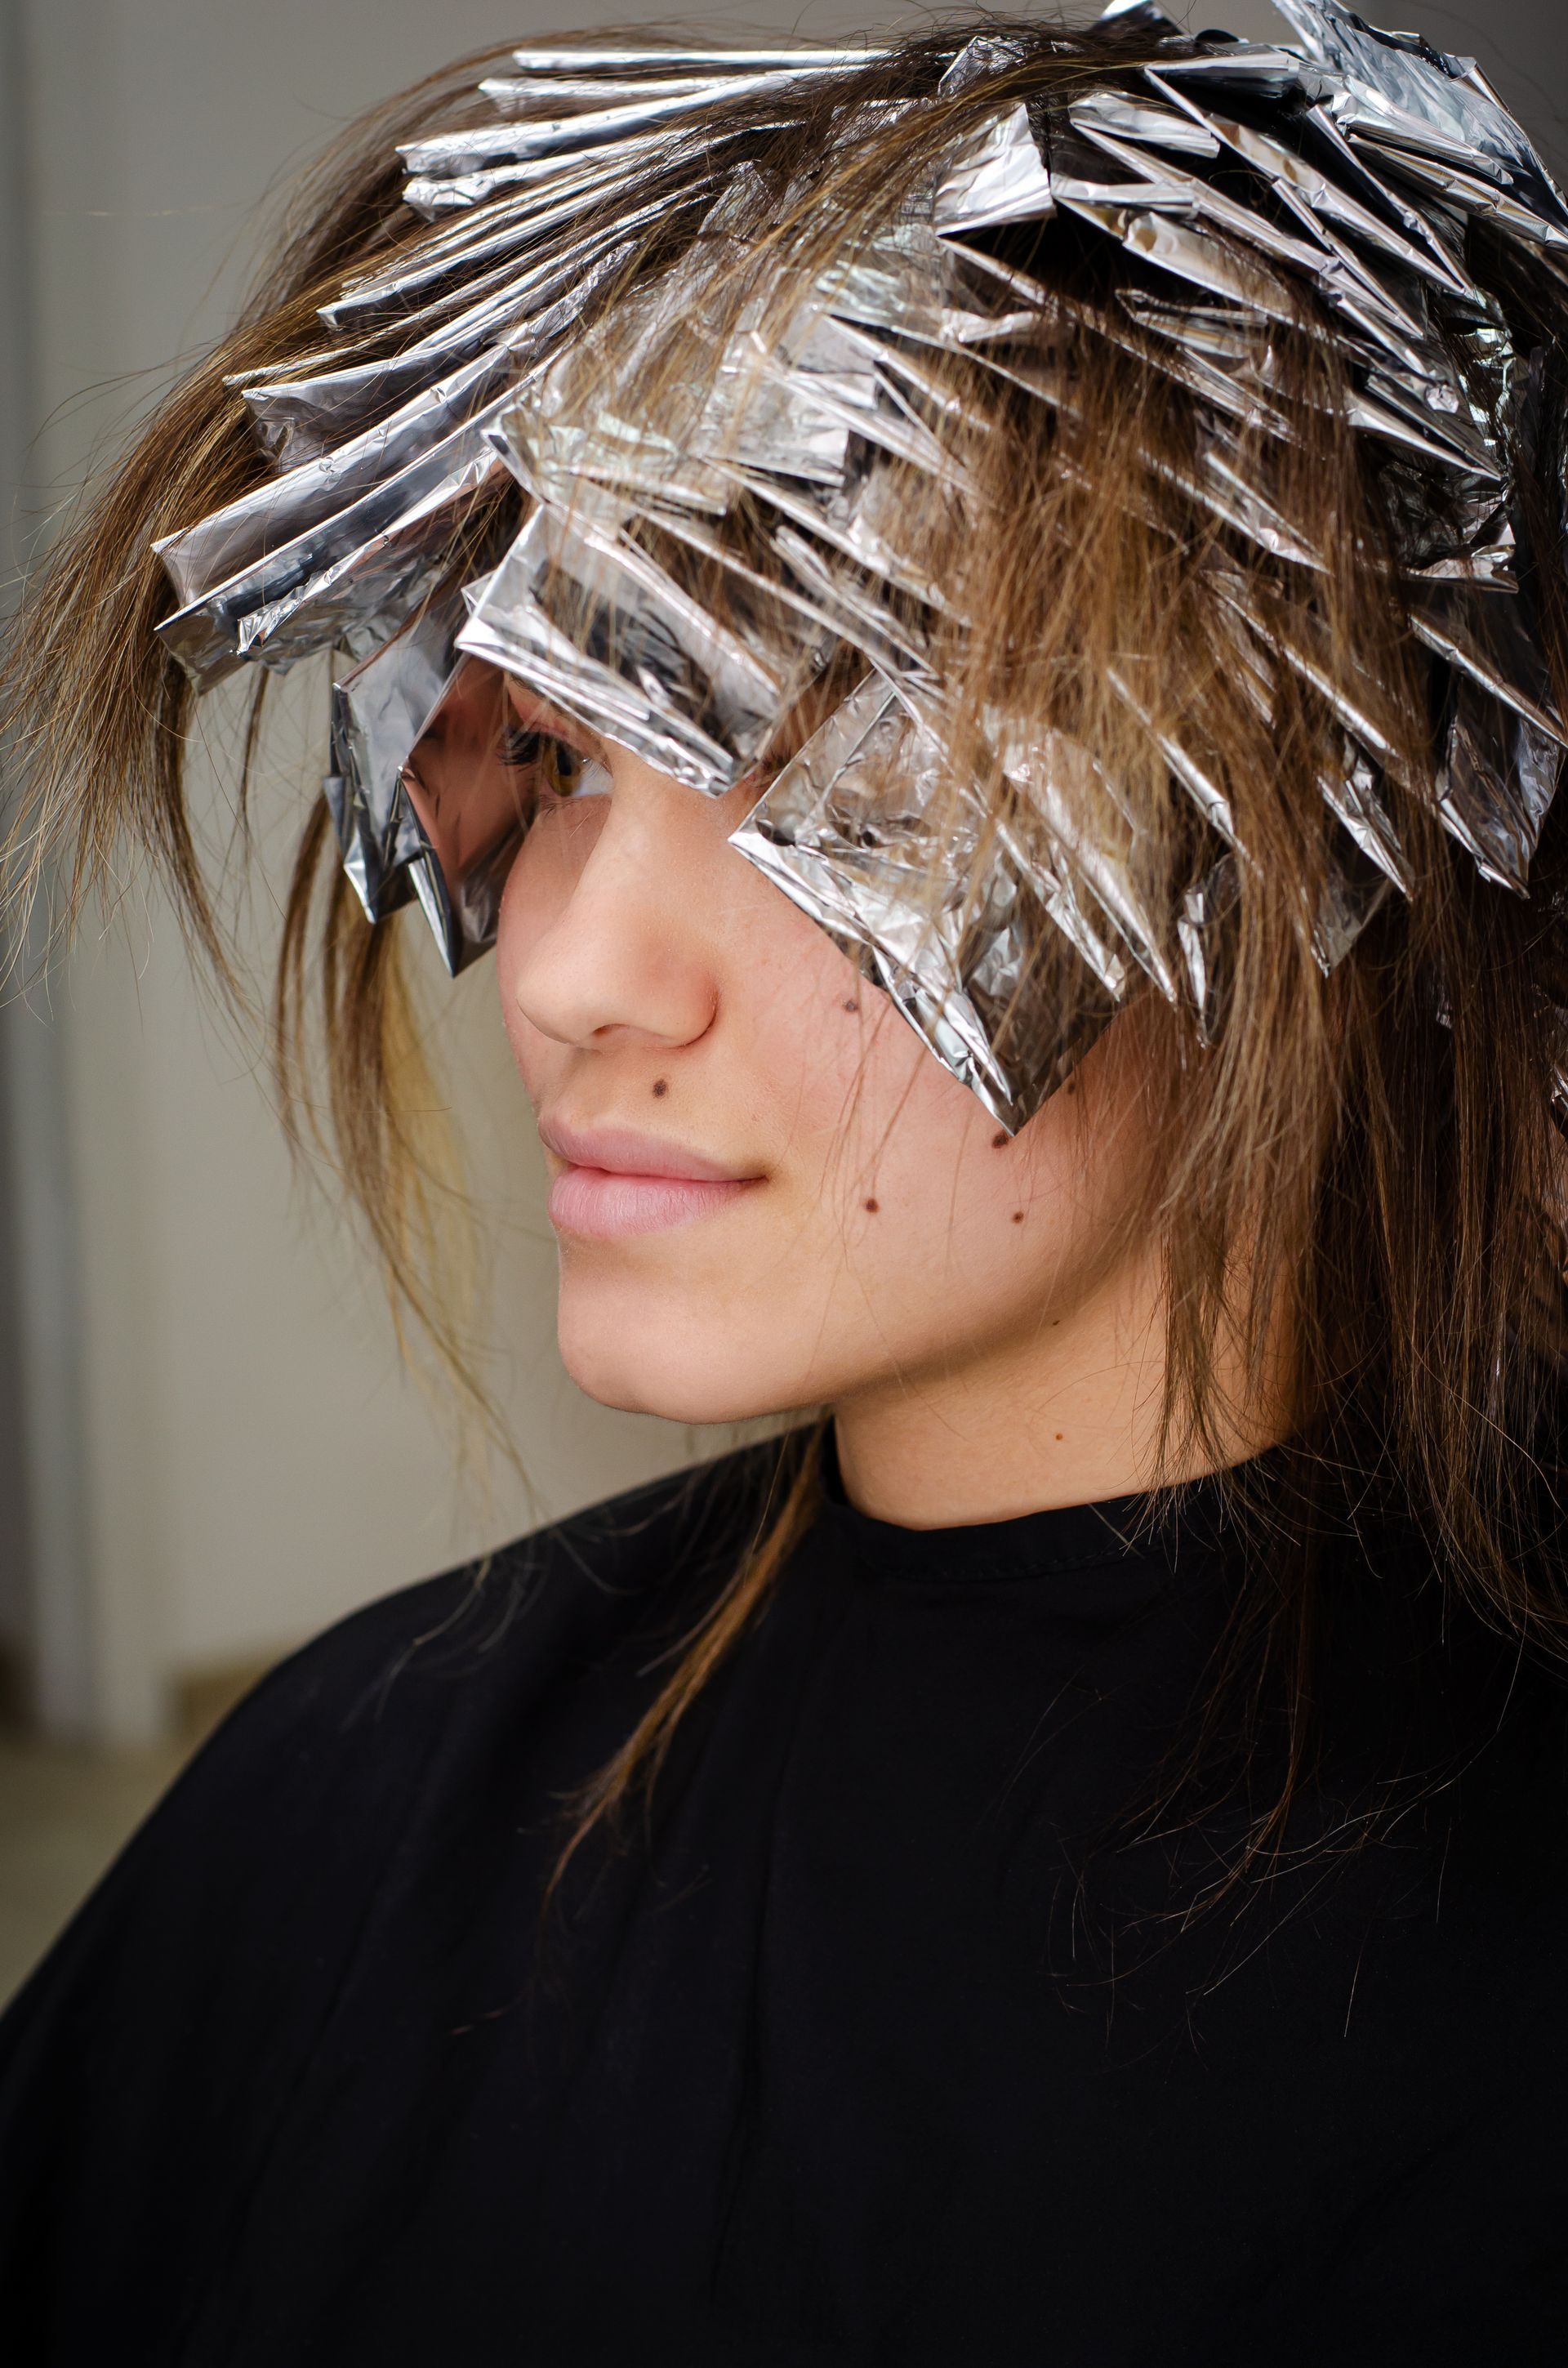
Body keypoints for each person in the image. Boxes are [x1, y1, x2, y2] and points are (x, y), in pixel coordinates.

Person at [2, 3, 1568, 2358]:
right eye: (546, 750)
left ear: (1302, 821)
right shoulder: (354, 1827)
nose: (564, 969)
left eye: (822, 752)